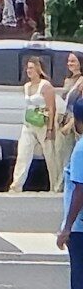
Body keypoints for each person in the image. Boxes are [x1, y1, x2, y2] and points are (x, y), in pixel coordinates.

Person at [54, 95, 83, 289]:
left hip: (81, 229)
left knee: (80, 283)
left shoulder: (81, 149)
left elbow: (79, 189)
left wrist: (67, 227)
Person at [12, 56, 59, 192]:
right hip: (29, 123)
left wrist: (50, 129)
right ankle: (16, 185)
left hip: (43, 124)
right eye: (28, 68)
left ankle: (55, 186)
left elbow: (51, 108)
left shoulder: (45, 86)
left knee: (50, 155)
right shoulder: (26, 87)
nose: (29, 70)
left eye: (32, 68)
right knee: (23, 153)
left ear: (39, 69)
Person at [60, 53, 83, 192]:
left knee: (75, 153)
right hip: (67, 118)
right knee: (65, 153)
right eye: (69, 61)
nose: (70, 64)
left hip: (77, 121)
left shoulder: (81, 81)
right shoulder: (68, 80)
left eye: (73, 61)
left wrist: (71, 124)